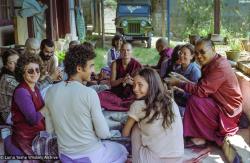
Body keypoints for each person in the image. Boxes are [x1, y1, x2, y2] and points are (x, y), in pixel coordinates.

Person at [44, 43, 128, 163]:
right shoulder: (89, 93)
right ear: (79, 68)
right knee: (122, 149)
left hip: (64, 155)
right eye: (91, 66)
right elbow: (103, 133)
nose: (93, 71)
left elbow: (50, 130)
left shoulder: (50, 92)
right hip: (90, 155)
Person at [168, 38, 243, 147]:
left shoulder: (219, 66)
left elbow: (201, 90)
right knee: (193, 100)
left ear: (213, 49)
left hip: (228, 109)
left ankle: (201, 137)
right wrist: (181, 80)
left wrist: (179, 83)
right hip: (217, 101)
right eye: (197, 53)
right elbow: (202, 86)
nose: (199, 56)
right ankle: (196, 133)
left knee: (194, 100)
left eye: (202, 52)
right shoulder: (212, 62)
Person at [122, 68, 184, 163]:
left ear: (151, 85)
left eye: (140, 85)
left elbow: (125, 134)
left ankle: (136, 159)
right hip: (178, 158)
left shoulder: (137, 106)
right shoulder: (170, 101)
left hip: (153, 160)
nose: (135, 89)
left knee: (135, 127)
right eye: (134, 84)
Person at [5, 54, 46, 155]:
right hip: (26, 138)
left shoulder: (34, 87)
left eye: (37, 70)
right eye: (30, 71)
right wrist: (48, 108)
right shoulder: (22, 91)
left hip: (38, 134)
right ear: (22, 73)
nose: (35, 73)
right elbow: (32, 119)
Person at [98, 42, 142, 111]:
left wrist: (131, 82)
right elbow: (112, 83)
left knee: (135, 102)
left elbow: (141, 85)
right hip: (116, 93)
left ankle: (119, 105)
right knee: (99, 96)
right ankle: (120, 105)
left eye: (128, 50)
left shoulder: (137, 65)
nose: (125, 52)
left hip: (131, 95)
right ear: (120, 51)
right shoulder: (115, 63)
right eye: (123, 50)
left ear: (131, 51)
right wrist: (122, 80)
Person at [0, 49, 19, 124]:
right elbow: (27, 90)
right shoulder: (7, 80)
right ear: (6, 66)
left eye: (18, 60)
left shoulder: (17, 73)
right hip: (9, 114)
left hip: (17, 108)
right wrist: (49, 79)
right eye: (11, 63)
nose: (16, 64)